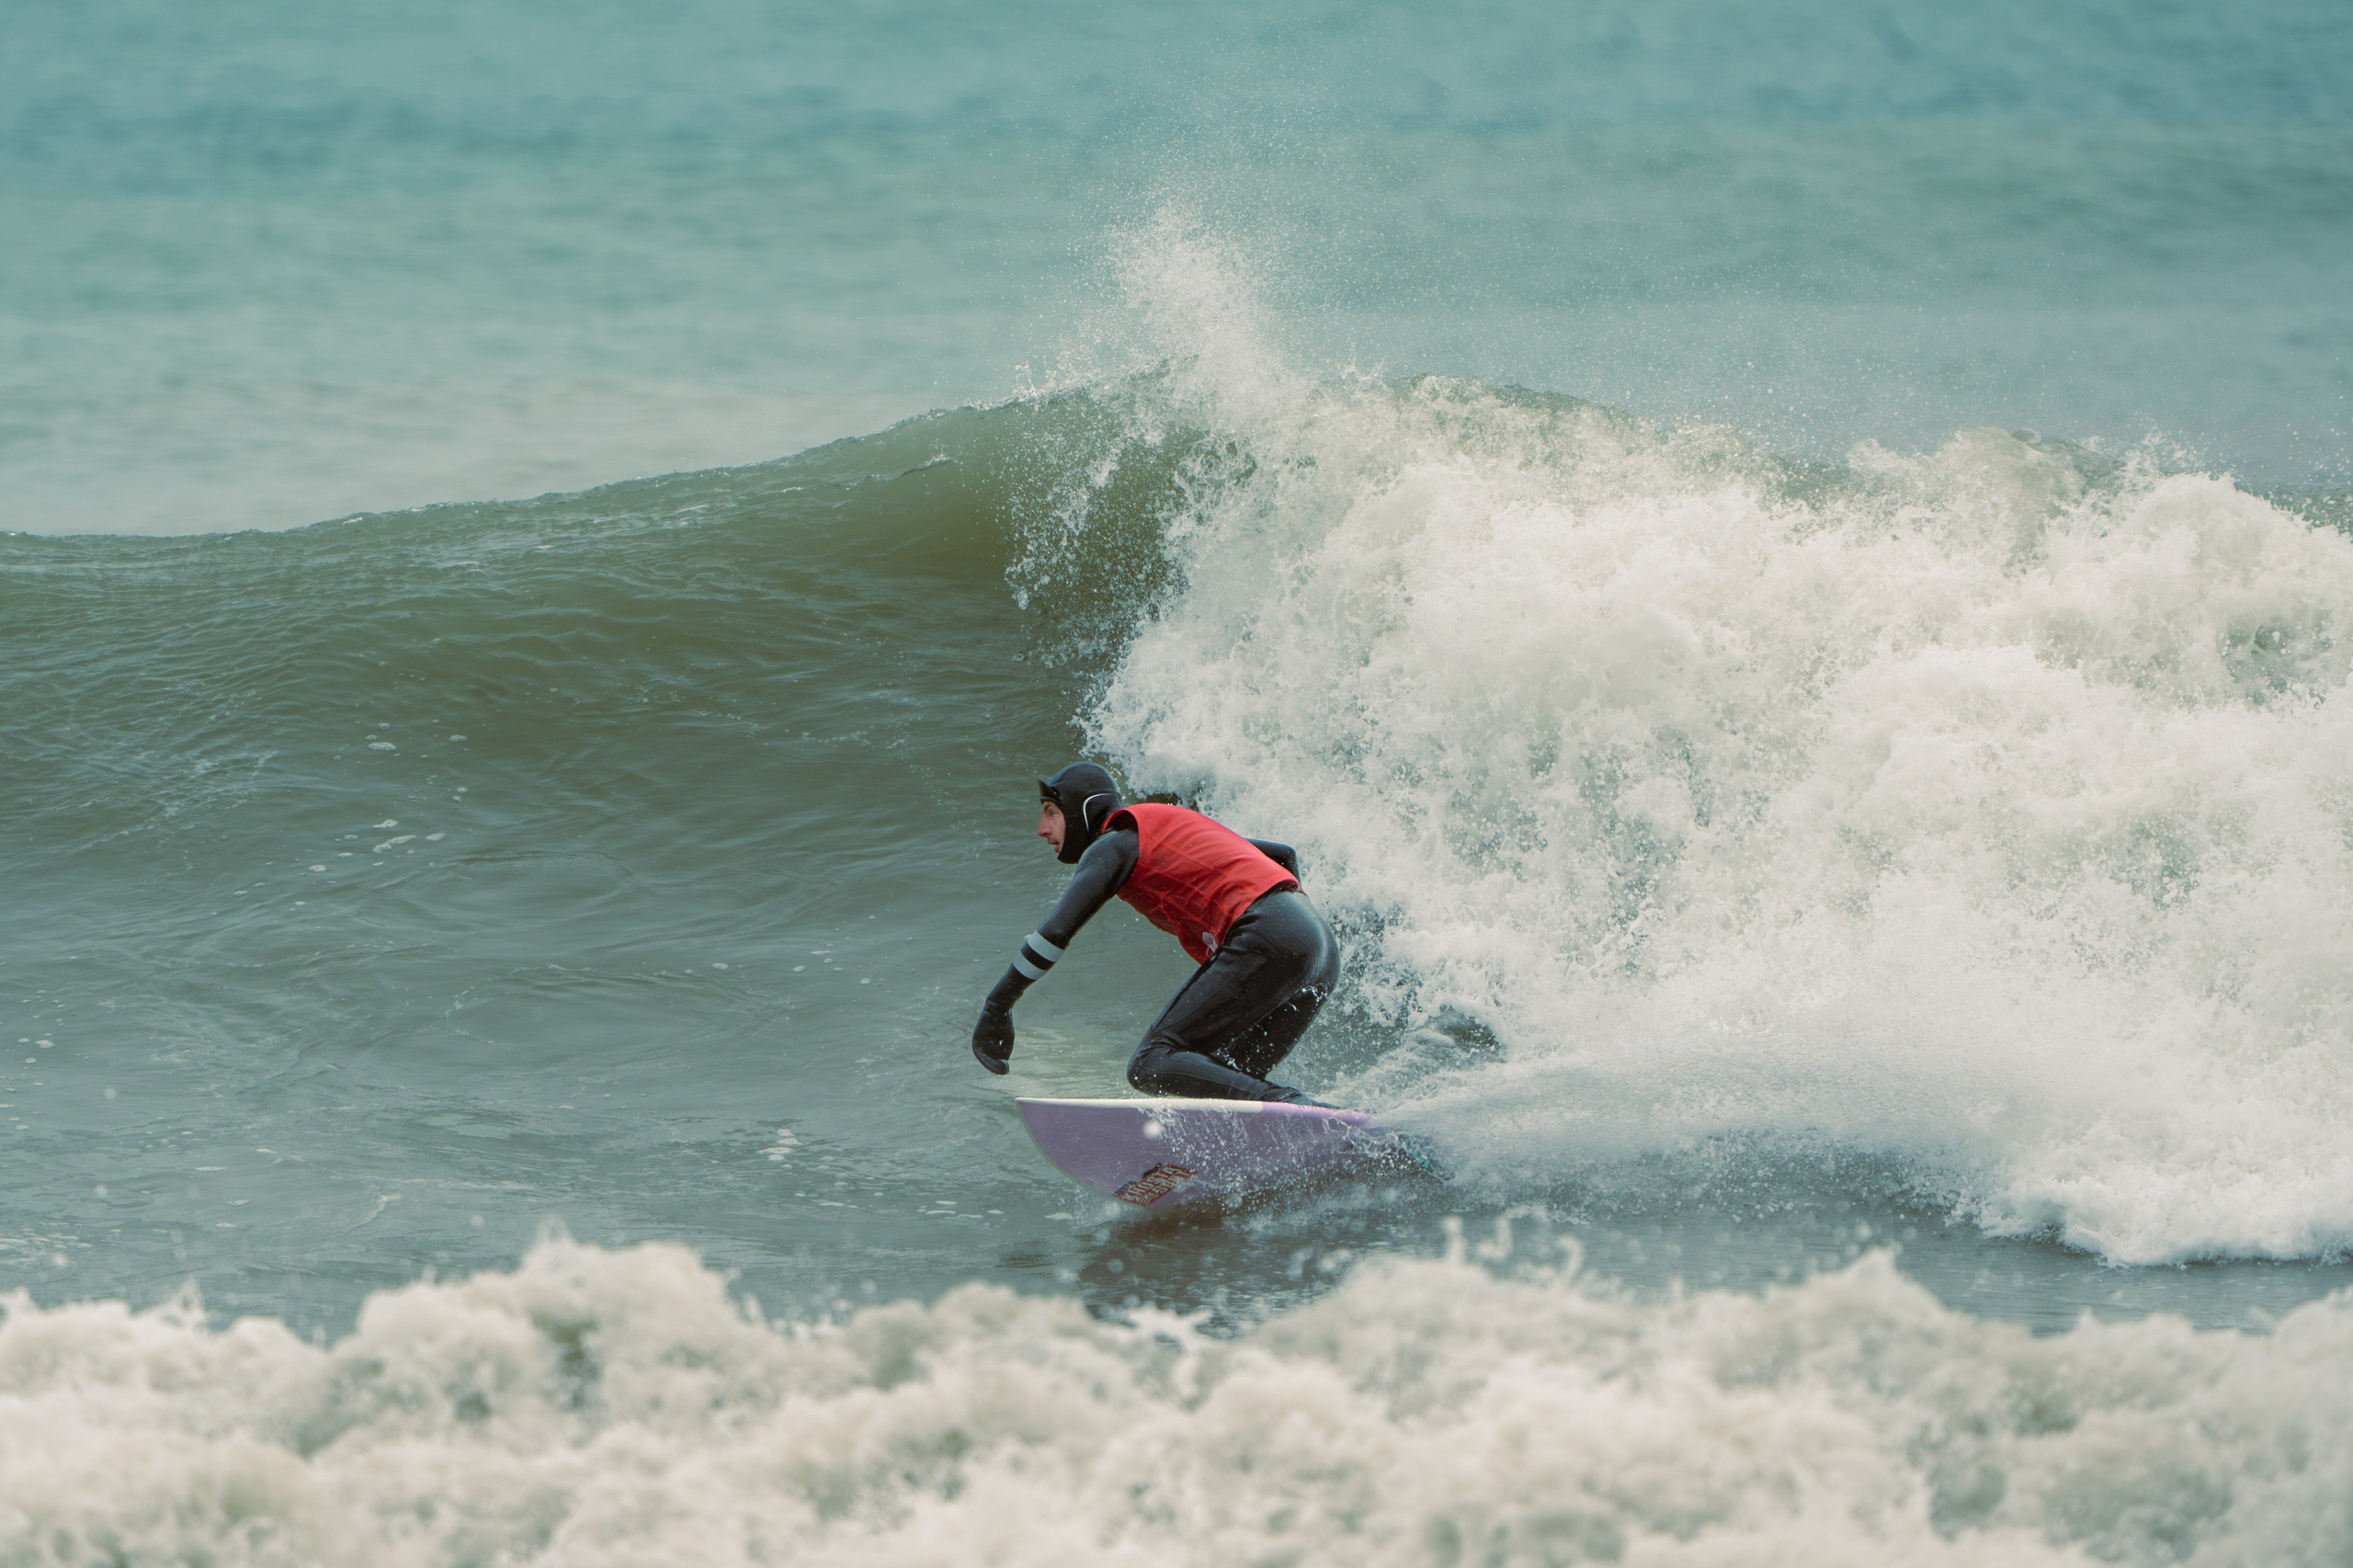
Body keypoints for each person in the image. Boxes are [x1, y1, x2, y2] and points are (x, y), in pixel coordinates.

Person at [970, 762, 1340, 1102]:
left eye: (1051, 812)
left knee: (1151, 1062)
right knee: (1222, 1078)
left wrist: (998, 1005)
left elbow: (1054, 934)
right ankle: (1312, 1128)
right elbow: (1284, 855)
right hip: (1319, 951)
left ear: (1081, 809)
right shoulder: (1160, 830)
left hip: (1270, 934)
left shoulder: (1116, 841)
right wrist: (1293, 936)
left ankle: (1296, 1107)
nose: (1042, 829)